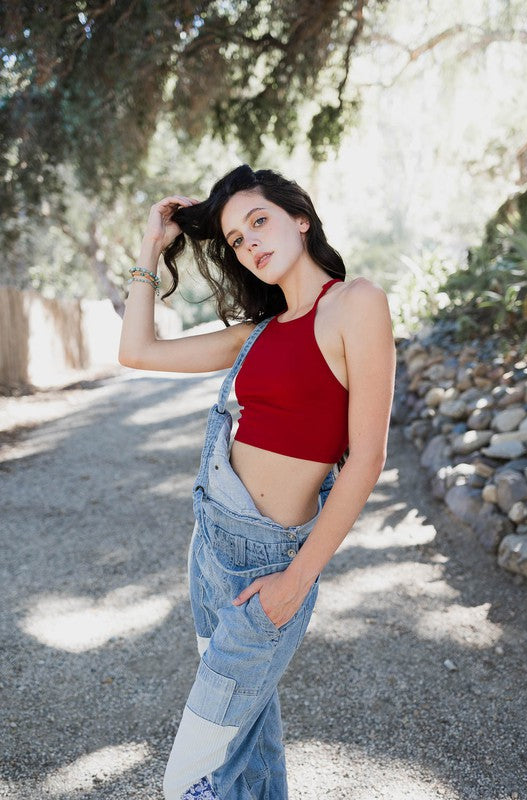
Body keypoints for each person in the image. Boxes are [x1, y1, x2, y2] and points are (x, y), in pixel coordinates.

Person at [118, 164, 396, 800]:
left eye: (259, 221)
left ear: (301, 218)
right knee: (249, 757)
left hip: (270, 566)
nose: (250, 243)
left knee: (191, 777)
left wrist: (297, 581)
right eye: (238, 240)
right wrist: (149, 250)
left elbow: (368, 458)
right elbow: (136, 351)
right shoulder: (258, 332)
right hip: (209, 550)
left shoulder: (356, 304)